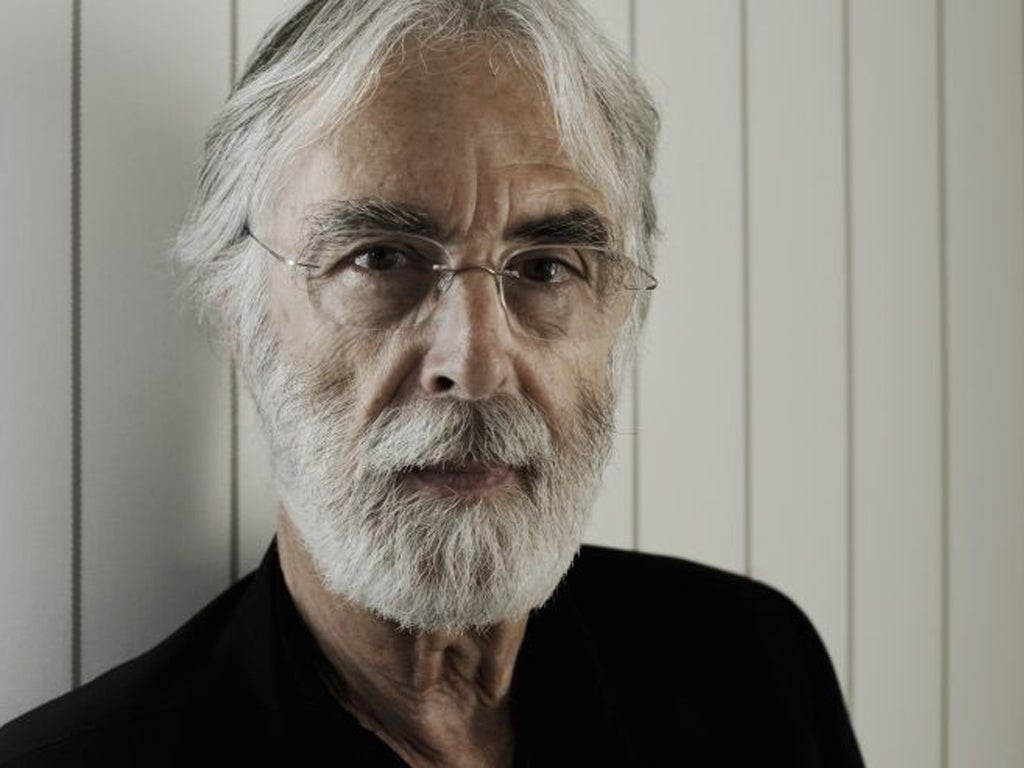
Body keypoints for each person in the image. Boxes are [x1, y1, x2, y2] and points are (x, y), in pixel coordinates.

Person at [0, 1, 864, 765]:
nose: (476, 365)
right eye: (380, 259)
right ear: (238, 315)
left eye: (547, 267)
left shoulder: (753, 674)